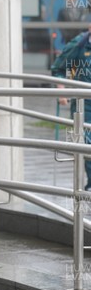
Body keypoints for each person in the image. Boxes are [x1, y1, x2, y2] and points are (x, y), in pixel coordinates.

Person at [51, 26, 91, 190]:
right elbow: (59, 69)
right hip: (84, 106)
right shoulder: (79, 44)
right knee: (87, 145)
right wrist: (62, 92)